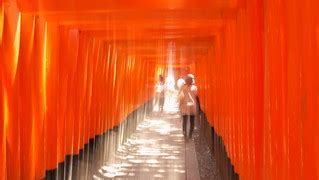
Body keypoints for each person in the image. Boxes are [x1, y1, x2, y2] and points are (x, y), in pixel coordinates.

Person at [178, 74, 198, 139]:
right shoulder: (194, 87)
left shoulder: (182, 87)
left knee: (185, 121)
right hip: (192, 105)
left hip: (185, 105)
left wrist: (180, 104)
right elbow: (196, 96)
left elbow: (180, 96)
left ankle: (185, 135)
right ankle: (190, 135)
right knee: (192, 122)